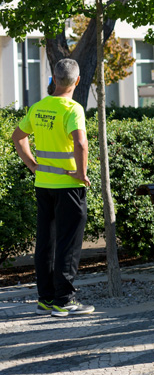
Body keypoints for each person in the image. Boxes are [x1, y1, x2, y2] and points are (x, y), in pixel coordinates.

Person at [11, 58, 94, 318]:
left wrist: (32, 165)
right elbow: (80, 143)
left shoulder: (39, 107)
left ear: (54, 79)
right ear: (77, 81)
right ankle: (64, 300)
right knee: (68, 242)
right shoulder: (73, 109)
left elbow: (18, 137)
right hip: (68, 185)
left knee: (46, 242)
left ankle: (46, 299)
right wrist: (81, 173)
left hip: (44, 183)